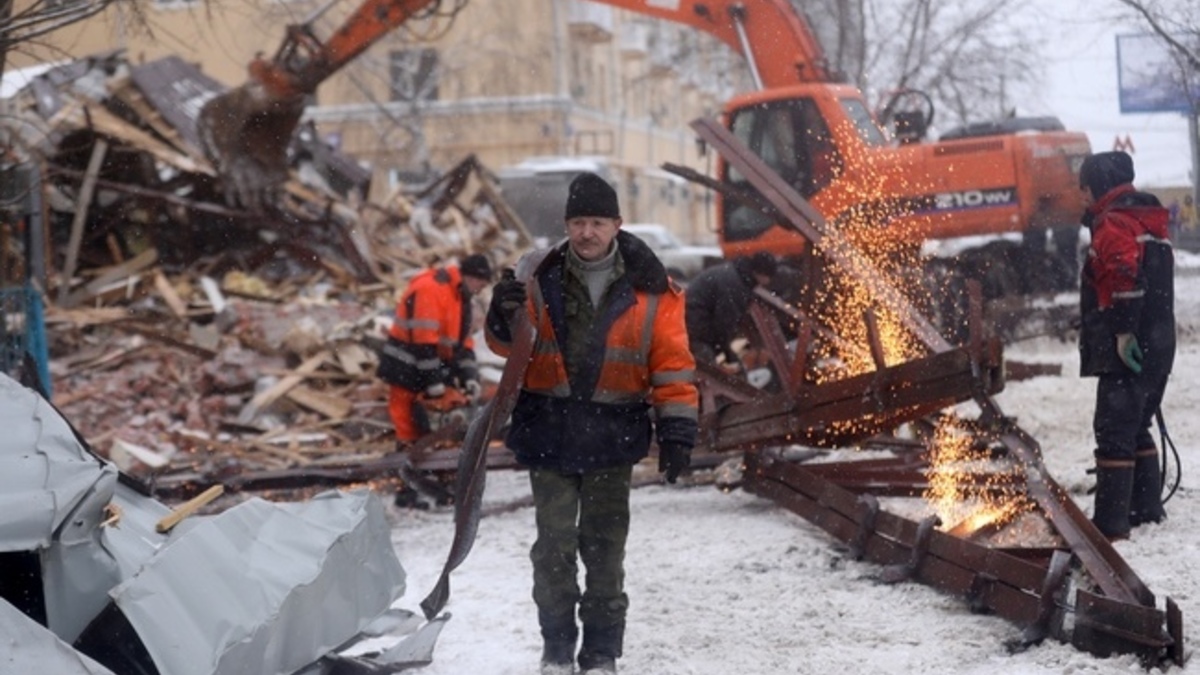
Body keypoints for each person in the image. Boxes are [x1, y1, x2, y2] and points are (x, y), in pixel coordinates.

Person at [485, 172, 698, 675]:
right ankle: (557, 647)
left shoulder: (653, 291)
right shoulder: (537, 277)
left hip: (612, 436)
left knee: (604, 552)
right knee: (553, 549)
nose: (586, 232)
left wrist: (678, 431)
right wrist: (500, 316)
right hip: (549, 432)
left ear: (617, 225)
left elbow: (672, 367)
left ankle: (601, 652)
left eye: (597, 222)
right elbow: (506, 349)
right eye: (578, 222)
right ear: (567, 224)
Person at [1077, 151, 1175, 539]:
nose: (1082, 197)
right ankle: (1146, 509)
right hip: (1160, 342)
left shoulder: (1114, 223)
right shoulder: (1146, 221)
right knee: (1136, 425)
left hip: (1131, 344)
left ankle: (1111, 524)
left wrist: (1121, 333)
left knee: (1114, 428)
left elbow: (1122, 276)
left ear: (1097, 186)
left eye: (1084, 188)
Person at [378, 253, 493, 506]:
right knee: (408, 429)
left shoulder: (460, 296)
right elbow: (424, 342)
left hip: (429, 366)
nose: (480, 291)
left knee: (437, 428)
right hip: (405, 366)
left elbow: (462, 345)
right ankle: (407, 490)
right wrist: (435, 384)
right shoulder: (431, 289)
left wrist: (469, 376)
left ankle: (439, 483)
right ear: (471, 277)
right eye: (481, 285)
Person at [683, 251, 778, 368]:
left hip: (690, 320)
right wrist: (727, 352)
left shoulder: (736, 275)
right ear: (763, 274)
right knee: (707, 367)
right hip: (693, 327)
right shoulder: (735, 285)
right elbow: (724, 321)